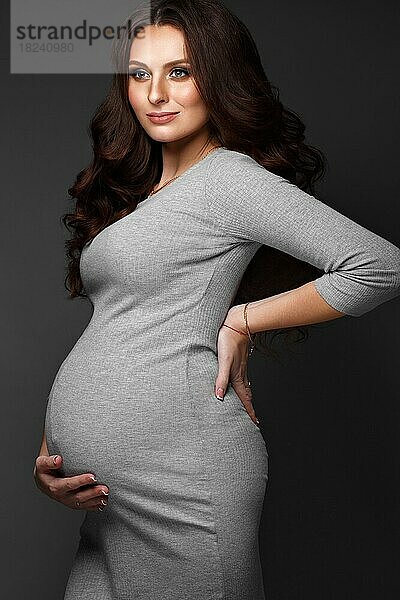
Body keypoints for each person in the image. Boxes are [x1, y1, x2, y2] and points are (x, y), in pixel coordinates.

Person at [33, 1, 400, 599]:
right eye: (139, 73)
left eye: (180, 72)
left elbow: (379, 265)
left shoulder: (228, 179)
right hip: (104, 506)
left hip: (187, 485)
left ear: (218, 80)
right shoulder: (145, 196)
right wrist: (52, 457)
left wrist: (242, 320)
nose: (156, 92)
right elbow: (122, 327)